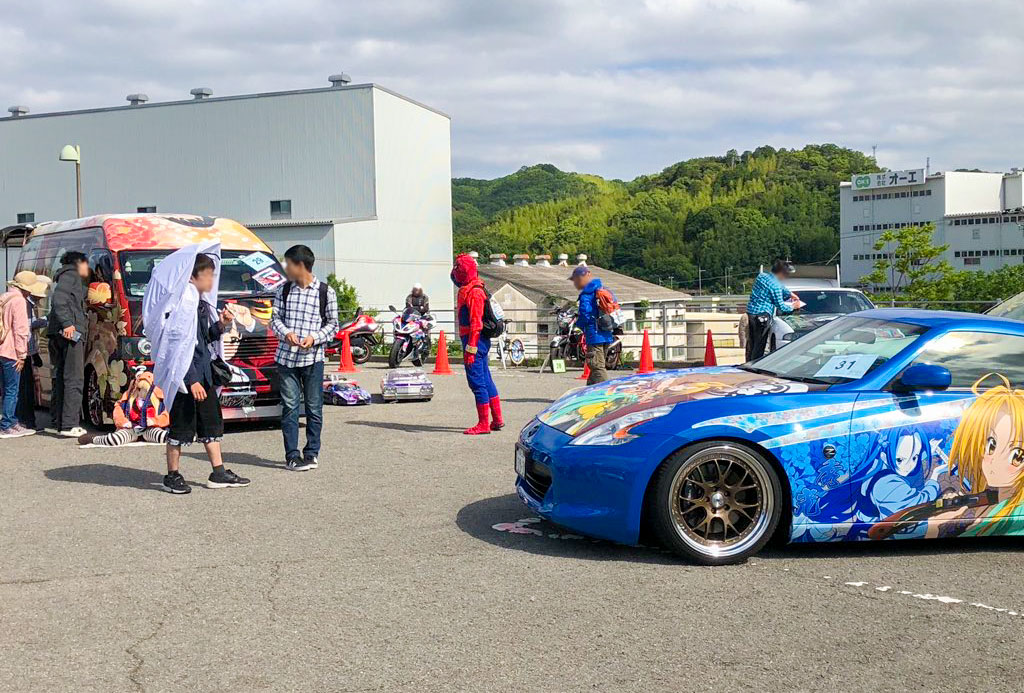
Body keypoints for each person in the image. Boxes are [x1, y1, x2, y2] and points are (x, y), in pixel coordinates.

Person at [147, 249, 250, 494]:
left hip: (203, 375)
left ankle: (218, 471)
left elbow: (203, 340)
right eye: (208, 274)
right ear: (193, 276)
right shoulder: (183, 304)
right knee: (181, 427)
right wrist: (191, 380)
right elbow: (178, 347)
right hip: (186, 379)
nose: (212, 280)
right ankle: (172, 475)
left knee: (211, 425)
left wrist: (221, 325)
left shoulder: (200, 304)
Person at [269, 244, 339, 471]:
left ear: (300, 265)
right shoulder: (284, 290)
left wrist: (315, 338)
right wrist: (285, 333)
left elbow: (333, 324)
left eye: (288, 264)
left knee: (314, 407)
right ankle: (291, 455)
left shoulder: (325, 292)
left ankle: (311, 453)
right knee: (289, 407)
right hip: (286, 359)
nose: (286, 268)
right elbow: (274, 318)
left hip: (313, 358)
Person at [451, 253, 503, 435]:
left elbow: (475, 323)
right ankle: (497, 419)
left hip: (475, 341)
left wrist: (471, 349)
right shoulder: (473, 287)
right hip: (479, 341)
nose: (455, 272)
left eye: (458, 268)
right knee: (486, 379)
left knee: (477, 382)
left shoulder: (473, 292)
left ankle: (483, 424)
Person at [47, 251, 90, 437]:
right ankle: (70, 425)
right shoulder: (71, 275)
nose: (87, 269)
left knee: (62, 378)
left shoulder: (63, 275)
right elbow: (59, 300)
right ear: (79, 263)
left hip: (58, 333)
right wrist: (68, 324)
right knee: (74, 378)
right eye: (86, 264)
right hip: (70, 334)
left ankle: (59, 421)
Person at [0, 271, 47, 438]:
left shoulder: (5, 297)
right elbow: (21, 331)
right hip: (11, 350)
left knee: (5, 389)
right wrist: (22, 355)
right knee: (13, 390)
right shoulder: (19, 301)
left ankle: (9, 422)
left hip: (1, 349)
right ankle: (8, 424)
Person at [78, 370, 169, 446]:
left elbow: (166, 416)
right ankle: (95, 439)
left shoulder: (159, 402)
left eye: (146, 390)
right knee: (115, 440)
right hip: (131, 428)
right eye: (139, 389)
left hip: (150, 428)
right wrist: (123, 422)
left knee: (162, 436)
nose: (142, 393)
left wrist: (155, 421)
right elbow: (118, 412)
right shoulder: (128, 400)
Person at [745, 259, 801, 361]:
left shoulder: (762, 277)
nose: (786, 277)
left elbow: (780, 286)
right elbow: (782, 306)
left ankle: (749, 363)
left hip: (751, 313)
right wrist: (794, 306)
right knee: (760, 344)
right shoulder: (775, 287)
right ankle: (755, 365)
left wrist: (789, 293)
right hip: (763, 316)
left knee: (752, 343)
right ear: (781, 273)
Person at [570, 266, 614, 385]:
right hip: (606, 332)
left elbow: (585, 313)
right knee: (596, 364)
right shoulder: (603, 288)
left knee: (596, 366)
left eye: (575, 280)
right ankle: (588, 391)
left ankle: (606, 393)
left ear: (580, 278)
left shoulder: (587, 294)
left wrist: (578, 326)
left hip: (594, 334)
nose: (574, 284)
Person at [17, 275, 49, 430]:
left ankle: (24, 420)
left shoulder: (24, 303)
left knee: (22, 388)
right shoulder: (25, 305)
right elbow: (27, 331)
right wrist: (33, 353)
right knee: (24, 388)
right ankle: (26, 421)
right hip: (23, 353)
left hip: (23, 351)